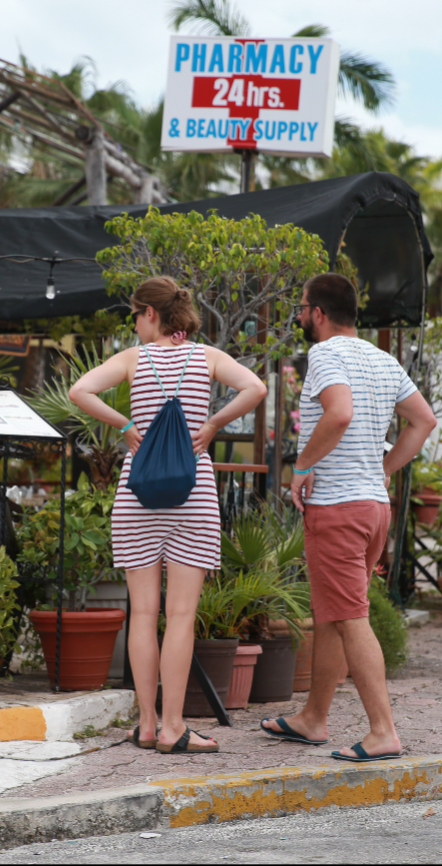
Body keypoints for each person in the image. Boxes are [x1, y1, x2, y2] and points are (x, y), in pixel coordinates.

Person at [69, 276, 266, 755]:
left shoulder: (133, 361)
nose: (134, 323)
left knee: (143, 614)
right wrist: (214, 423)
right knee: (180, 615)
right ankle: (176, 727)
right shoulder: (207, 358)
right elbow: (255, 387)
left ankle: (148, 724)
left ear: (150, 315)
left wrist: (126, 424)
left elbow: (80, 391)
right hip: (192, 494)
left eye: (136, 315)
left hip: (137, 497)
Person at [260, 273, 436, 763]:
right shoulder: (382, 359)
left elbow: (337, 414)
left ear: (318, 312)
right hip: (373, 507)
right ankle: (313, 718)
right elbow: (424, 421)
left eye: (301, 307)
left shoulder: (325, 354)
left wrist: (302, 468)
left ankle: (382, 731)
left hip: (338, 507)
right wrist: (381, 470)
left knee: (350, 617)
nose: (298, 316)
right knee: (334, 615)